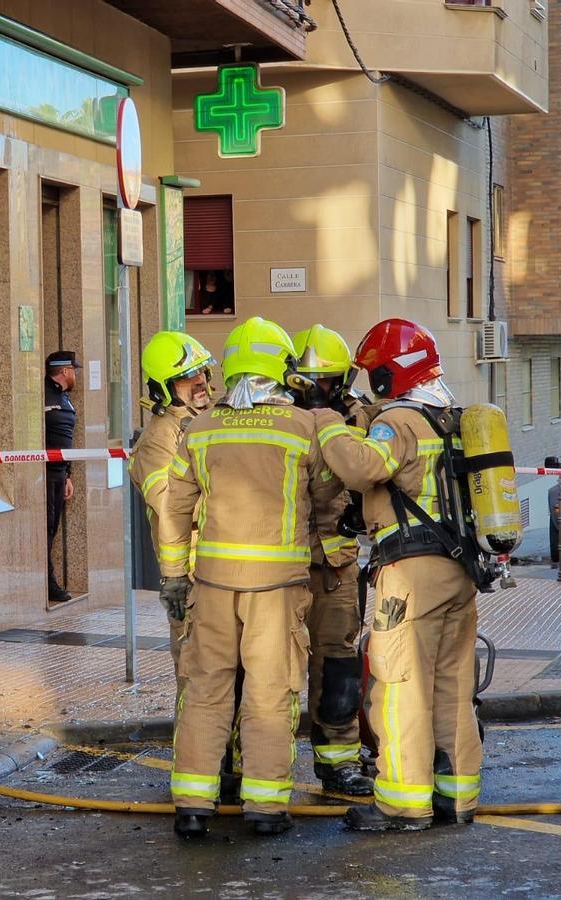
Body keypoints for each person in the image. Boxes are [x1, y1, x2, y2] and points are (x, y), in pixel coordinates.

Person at [158, 317, 337, 839]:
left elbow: (174, 507)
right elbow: (328, 498)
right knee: (269, 693)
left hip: (211, 587)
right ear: (280, 370)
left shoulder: (201, 428)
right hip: (277, 590)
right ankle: (264, 807)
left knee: (206, 689)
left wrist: (173, 577)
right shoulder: (302, 428)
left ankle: (192, 806)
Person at [312, 318, 482, 832]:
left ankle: (403, 804)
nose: (370, 382)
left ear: (392, 372)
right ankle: (457, 798)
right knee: (452, 686)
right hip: (459, 570)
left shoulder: (398, 422)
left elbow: (365, 468)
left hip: (411, 574)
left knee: (399, 684)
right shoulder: (446, 416)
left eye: (375, 373)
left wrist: (329, 425)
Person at [290, 325, 374, 797]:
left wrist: (347, 421)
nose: (315, 390)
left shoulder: (355, 418)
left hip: (336, 566)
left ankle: (338, 761)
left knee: (338, 666)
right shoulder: (280, 420)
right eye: (308, 380)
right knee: (269, 671)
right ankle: (260, 764)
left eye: (325, 381)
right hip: (284, 565)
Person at [128, 331, 215, 686]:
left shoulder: (211, 420)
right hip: (190, 576)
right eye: (186, 377)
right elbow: (171, 506)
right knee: (197, 679)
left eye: (201, 373)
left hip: (222, 570)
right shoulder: (158, 441)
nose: (199, 382)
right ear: (164, 387)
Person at [44, 350, 81, 603]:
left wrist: (67, 474)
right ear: (65, 371)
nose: (76, 374)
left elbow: (64, 441)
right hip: (43, 474)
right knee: (46, 530)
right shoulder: (43, 393)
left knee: (53, 529)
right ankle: (48, 584)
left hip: (58, 473)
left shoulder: (64, 397)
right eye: (74, 369)